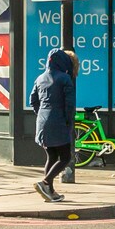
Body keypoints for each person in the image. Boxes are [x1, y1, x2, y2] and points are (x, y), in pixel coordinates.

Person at [30, 47, 78, 202]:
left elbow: (33, 100)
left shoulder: (40, 78)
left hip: (42, 121)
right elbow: (69, 105)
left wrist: (41, 114)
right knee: (65, 157)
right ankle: (45, 182)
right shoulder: (65, 79)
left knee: (51, 156)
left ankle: (49, 191)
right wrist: (68, 122)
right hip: (58, 121)